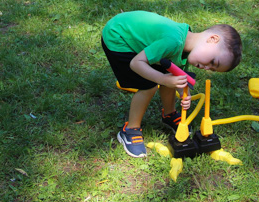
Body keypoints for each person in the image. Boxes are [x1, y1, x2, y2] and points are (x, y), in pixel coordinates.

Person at [102, 11, 242, 158]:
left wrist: (182, 92)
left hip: (133, 36)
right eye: (213, 62)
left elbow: (176, 72)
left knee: (168, 76)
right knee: (148, 85)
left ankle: (169, 114)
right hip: (118, 37)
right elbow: (136, 63)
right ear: (213, 39)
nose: (207, 68)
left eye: (212, 69)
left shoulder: (189, 44)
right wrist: (162, 79)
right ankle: (130, 129)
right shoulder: (173, 41)